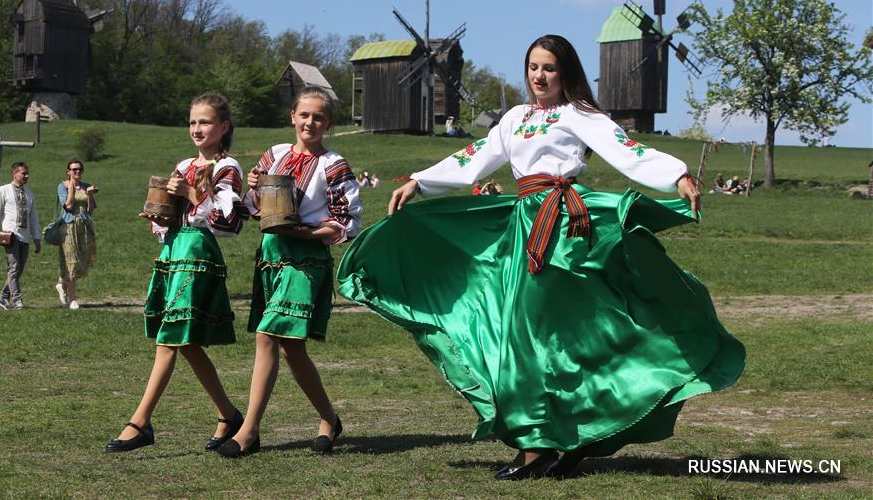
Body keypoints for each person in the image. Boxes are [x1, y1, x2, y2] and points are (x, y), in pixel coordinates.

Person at [337, 35, 745, 480]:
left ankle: (540, 446)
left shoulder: (580, 115)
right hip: (523, 229)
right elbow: (474, 158)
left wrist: (676, 175)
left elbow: (626, 150)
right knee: (533, 337)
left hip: (566, 231)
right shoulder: (515, 118)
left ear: (565, 72)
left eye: (549, 67)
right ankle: (562, 440)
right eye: (533, 66)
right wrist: (420, 181)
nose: (539, 75)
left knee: (541, 337)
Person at [217, 86, 362, 458]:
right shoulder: (275, 154)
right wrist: (250, 189)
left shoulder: (334, 164)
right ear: (292, 117)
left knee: (268, 335)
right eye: (304, 115)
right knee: (291, 348)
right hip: (271, 254)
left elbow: (348, 221)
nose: (310, 122)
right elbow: (255, 210)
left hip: (306, 257)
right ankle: (329, 418)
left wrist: (307, 233)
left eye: (318, 117)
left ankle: (248, 431)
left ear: (328, 123)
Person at [106, 93, 249, 453]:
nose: (197, 129)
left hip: (198, 254)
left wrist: (190, 193)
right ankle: (229, 414)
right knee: (183, 341)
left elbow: (229, 222)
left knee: (169, 337)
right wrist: (159, 216)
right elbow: (170, 214)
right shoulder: (184, 163)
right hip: (174, 252)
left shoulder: (228, 167)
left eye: (204, 122)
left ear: (224, 127)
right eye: (192, 122)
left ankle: (140, 422)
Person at [0, 162, 42, 309]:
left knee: (18, 269)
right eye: (23, 173)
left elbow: (33, 217)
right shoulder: (3, 190)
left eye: (27, 173)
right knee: (14, 266)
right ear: (14, 174)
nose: (26, 176)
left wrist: (37, 238)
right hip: (10, 235)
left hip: (25, 237)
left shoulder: (30, 193)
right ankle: (17, 300)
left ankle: (4, 297)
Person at [55, 159, 98, 310]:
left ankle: (62, 283)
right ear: (68, 172)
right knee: (71, 261)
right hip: (68, 227)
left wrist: (90, 195)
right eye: (74, 170)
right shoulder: (62, 186)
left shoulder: (86, 186)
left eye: (79, 169)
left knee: (82, 260)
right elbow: (68, 206)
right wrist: (71, 188)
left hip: (84, 227)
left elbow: (90, 210)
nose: (77, 172)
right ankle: (73, 300)